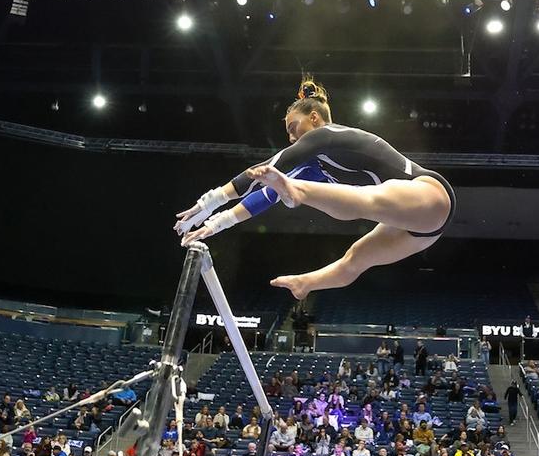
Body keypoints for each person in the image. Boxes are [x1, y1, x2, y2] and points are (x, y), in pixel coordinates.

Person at [175, 76, 457, 298]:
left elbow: (270, 168)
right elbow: (267, 193)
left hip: (429, 195)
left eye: (292, 127)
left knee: (363, 201)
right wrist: (216, 224)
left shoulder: (326, 135)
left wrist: (208, 201)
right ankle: (306, 283)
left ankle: (298, 192)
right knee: (355, 258)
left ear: (313, 118)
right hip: (419, 227)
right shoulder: (318, 165)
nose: (290, 136)